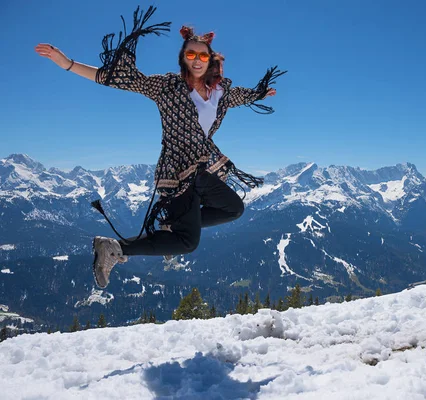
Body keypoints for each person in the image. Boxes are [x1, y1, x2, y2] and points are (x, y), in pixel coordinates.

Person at [34, 6, 285, 289]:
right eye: (191, 54)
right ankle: (113, 248)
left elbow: (243, 96)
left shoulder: (220, 92)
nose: (198, 60)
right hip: (177, 172)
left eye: (203, 55)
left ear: (210, 59)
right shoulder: (167, 86)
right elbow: (121, 80)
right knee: (187, 242)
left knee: (233, 208)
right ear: (183, 59)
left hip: (203, 167)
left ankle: (170, 225)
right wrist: (67, 63)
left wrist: (261, 93)